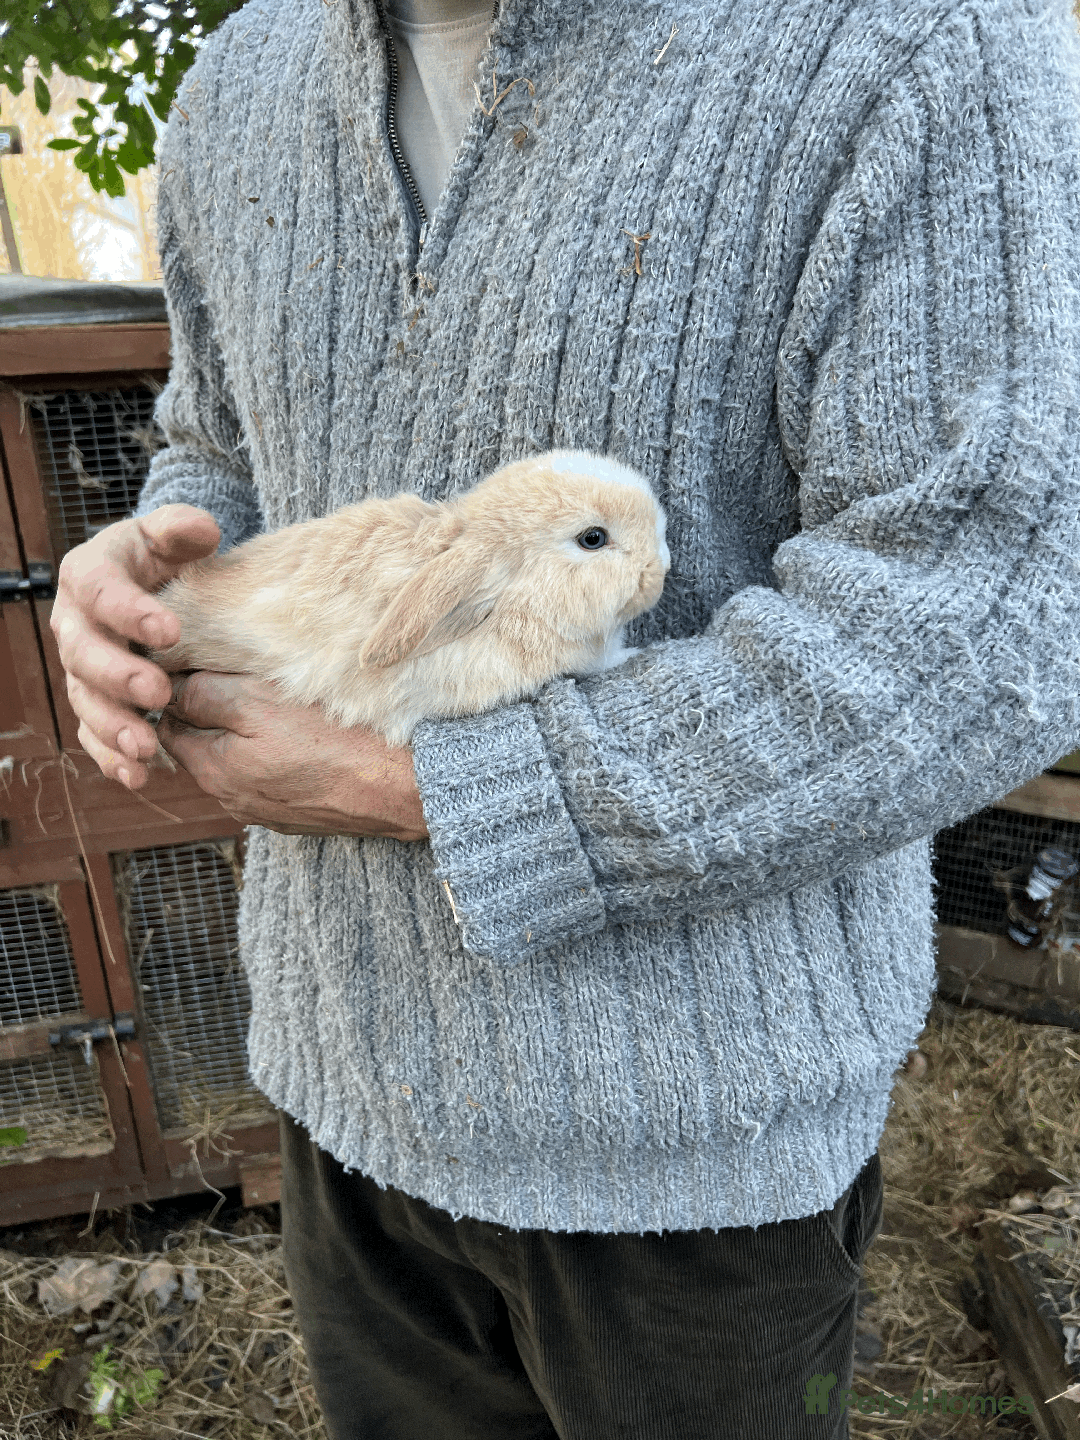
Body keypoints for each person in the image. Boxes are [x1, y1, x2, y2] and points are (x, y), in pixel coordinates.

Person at [52, 0, 1080, 1434]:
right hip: (344, 1088)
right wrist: (163, 569)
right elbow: (220, 444)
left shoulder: (917, 42)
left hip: (700, 1160)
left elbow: (986, 616)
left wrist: (431, 788)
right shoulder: (242, 75)